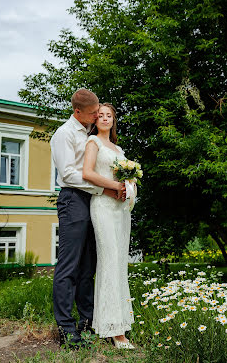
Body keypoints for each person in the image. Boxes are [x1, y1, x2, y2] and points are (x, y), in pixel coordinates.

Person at [50, 89, 125, 348]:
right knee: (68, 267)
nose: (97, 116)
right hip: (73, 200)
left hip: (94, 203)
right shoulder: (64, 134)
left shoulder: (89, 133)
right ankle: (66, 329)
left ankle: (87, 322)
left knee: (88, 267)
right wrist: (104, 188)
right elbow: (70, 175)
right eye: (93, 113)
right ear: (77, 111)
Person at [82, 103, 135, 349]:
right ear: (95, 119)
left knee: (119, 264)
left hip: (121, 210)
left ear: (114, 120)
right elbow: (87, 173)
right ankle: (115, 331)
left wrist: (129, 188)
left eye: (109, 115)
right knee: (109, 261)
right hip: (103, 206)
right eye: (100, 115)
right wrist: (115, 187)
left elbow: (126, 179)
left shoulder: (118, 148)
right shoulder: (93, 142)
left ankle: (118, 321)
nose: (105, 118)